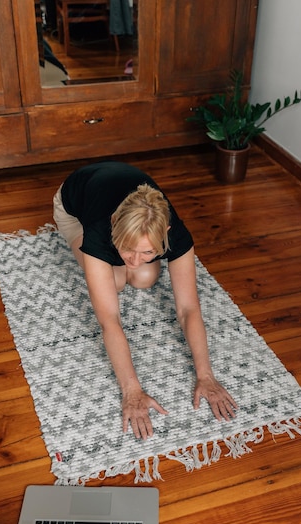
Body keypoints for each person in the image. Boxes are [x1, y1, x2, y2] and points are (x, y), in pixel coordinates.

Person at [53, 161, 237, 440]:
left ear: (165, 234)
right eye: (128, 250)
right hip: (75, 209)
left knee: (144, 277)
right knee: (115, 282)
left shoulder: (176, 234)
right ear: (115, 226)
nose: (136, 260)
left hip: (116, 193)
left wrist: (206, 376)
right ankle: (120, 256)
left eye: (148, 251)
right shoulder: (100, 230)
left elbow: (188, 310)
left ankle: (133, 254)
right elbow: (109, 321)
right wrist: (132, 391)